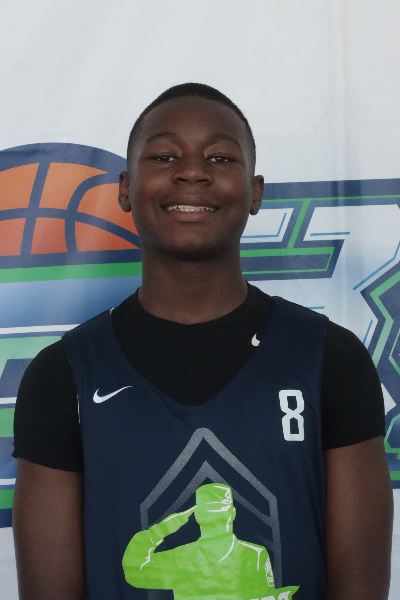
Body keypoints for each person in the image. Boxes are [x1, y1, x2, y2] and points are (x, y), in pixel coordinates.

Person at [12, 83, 393, 600]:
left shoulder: (331, 360)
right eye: (164, 156)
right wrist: (174, 525)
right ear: (125, 188)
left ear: (255, 192)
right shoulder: (63, 376)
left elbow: (359, 589)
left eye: (220, 157)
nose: (192, 172)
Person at [122, 483, 298, 600]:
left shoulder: (256, 556)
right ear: (232, 513)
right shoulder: (255, 555)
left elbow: (134, 569)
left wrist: (161, 530)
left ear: (197, 516)